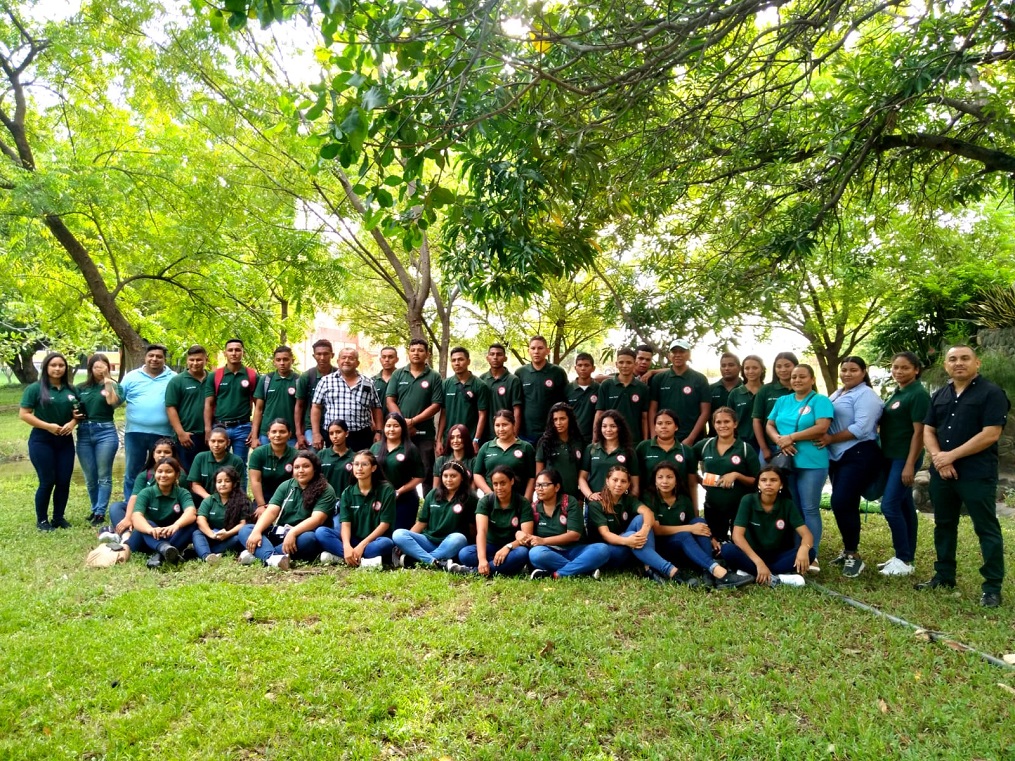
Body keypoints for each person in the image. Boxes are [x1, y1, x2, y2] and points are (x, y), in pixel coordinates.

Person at [917, 344, 1010, 608]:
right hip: (942, 473)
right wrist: (939, 458)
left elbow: (991, 434)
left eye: (965, 358)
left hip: (976, 474)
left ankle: (992, 587)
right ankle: (944, 576)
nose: (959, 363)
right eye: (953, 359)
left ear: (977, 363)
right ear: (946, 365)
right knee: (944, 525)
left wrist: (951, 456)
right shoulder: (940, 395)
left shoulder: (991, 393)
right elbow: (928, 430)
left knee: (986, 529)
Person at [816, 356, 884, 578]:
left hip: (858, 453)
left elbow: (862, 428)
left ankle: (854, 556)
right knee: (845, 503)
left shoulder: (867, 396)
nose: (847, 374)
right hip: (838, 456)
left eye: (853, 370)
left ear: (864, 372)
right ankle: (847, 551)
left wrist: (830, 439)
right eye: (844, 370)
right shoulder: (839, 393)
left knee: (841, 501)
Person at [643, 462, 754, 588]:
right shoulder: (650, 498)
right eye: (660, 477)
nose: (665, 481)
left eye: (669, 477)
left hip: (683, 548)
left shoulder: (683, 499)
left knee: (700, 522)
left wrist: (710, 538)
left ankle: (707, 573)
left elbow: (695, 523)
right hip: (662, 548)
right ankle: (719, 572)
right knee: (684, 534)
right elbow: (657, 530)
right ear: (655, 481)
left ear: (676, 480)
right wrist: (689, 528)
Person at [765, 364, 832, 561]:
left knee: (810, 507)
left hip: (812, 462)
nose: (797, 380)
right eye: (794, 377)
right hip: (787, 463)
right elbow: (769, 424)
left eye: (802, 376)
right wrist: (779, 439)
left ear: (812, 379)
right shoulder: (783, 400)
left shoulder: (821, 401)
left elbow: (822, 427)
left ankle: (812, 553)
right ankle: (796, 550)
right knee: (794, 507)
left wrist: (791, 437)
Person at [876, 352, 930, 577]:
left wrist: (909, 465)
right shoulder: (898, 392)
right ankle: (905, 557)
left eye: (904, 368)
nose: (898, 371)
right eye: (895, 367)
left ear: (916, 369)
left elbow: (919, 433)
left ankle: (903, 558)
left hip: (904, 457)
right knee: (905, 504)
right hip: (890, 456)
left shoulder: (918, 394)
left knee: (889, 505)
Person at [721, 466, 816, 586]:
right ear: (758, 485)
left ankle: (752, 575)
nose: (768, 484)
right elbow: (737, 536)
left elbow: (806, 534)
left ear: (781, 485)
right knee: (727, 550)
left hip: (777, 556)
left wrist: (804, 548)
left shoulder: (787, 504)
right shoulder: (748, 500)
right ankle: (778, 577)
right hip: (751, 555)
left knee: (810, 552)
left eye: (773, 480)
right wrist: (759, 563)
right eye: (764, 480)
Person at [240, 450, 334, 568]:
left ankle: (259, 556)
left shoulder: (326, 489)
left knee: (309, 538)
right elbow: (272, 511)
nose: (301, 470)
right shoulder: (286, 485)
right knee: (246, 529)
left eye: (306, 466)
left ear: (315, 469)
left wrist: (293, 532)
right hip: (282, 533)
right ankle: (272, 558)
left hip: (303, 535)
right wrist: (256, 531)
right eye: (297, 467)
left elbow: (317, 519)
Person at [19, 352, 79, 531]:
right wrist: (48, 426)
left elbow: (79, 413)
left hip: (65, 441)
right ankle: (42, 521)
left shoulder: (71, 389)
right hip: (42, 440)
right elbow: (24, 414)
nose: (57, 368)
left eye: (61, 365)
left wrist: (72, 422)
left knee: (63, 480)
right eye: (53, 365)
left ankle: (59, 518)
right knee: (47, 480)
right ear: (46, 367)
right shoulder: (35, 389)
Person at [316, 450, 396, 569]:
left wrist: (362, 545)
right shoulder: (347, 492)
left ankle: (343, 558)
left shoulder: (386, 489)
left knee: (386, 544)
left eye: (364, 464)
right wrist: (347, 546)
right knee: (321, 532)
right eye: (356, 464)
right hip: (354, 539)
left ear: (373, 468)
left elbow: (385, 524)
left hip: (374, 541)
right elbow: (346, 525)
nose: (359, 468)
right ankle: (360, 559)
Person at [448, 466, 533, 576]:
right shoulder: (486, 501)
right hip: (491, 545)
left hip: (513, 548)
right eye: (495, 484)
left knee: (523, 553)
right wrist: (482, 559)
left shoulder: (522, 502)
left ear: (511, 481)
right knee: (465, 554)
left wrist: (508, 547)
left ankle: (473, 572)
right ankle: (505, 567)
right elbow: (481, 532)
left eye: (503, 483)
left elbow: (526, 537)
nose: (499, 487)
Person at [526, 469, 609, 579]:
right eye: (537, 485)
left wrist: (544, 540)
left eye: (544, 485)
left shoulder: (569, 502)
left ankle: (556, 575)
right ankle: (584, 571)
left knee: (602, 549)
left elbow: (574, 535)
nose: (539, 489)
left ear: (557, 487)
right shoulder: (534, 508)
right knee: (535, 554)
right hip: (551, 552)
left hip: (576, 550)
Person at [694, 406, 760, 542]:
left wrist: (737, 475)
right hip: (713, 506)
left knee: (739, 544)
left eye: (727, 422)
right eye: (718, 422)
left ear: (735, 424)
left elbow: (757, 481)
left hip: (739, 507)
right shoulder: (705, 445)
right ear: (713, 424)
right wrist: (701, 481)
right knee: (716, 545)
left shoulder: (746, 449)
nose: (722, 425)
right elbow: (687, 464)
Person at [392, 460, 474, 568]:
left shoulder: (470, 497)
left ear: (462, 477)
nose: (448, 480)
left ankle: (417, 560)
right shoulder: (433, 494)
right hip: (429, 541)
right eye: (445, 476)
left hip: (451, 543)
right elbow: (421, 523)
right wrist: (404, 542)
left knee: (459, 538)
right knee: (398, 534)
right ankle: (433, 562)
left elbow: (473, 527)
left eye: (453, 476)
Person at [120, 343, 176, 498]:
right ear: (145, 357)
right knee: (133, 470)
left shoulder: (173, 378)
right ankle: (129, 505)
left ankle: (157, 501)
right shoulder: (131, 377)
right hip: (134, 433)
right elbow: (117, 399)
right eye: (151, 356)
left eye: (159, 356)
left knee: (162, 470)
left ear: (164, 359)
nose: (154, 359)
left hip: (164, 434)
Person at [75, 353, 122, 525]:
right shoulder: (81, 387)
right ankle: (95, 508)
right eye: (96, 366)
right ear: (90, 369)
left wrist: (108, 383)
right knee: (90, 476)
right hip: (84, 432)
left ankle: (101, 512)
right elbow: (75, 407)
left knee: (104, 475)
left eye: (103, 366)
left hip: (106, 432)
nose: (99, 369)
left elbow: (113, 403)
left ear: (108, 368)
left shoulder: (115, 385)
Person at [386, 338, 443, 476]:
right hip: (401, 433)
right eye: (413, 350)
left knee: (426, 470)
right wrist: (402, 423)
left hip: (424, 433)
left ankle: (427, 498)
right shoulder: (398, 374)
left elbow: (436, 405)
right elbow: (390, 400)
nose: (416, 353)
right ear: (408, 353)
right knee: (400, 469)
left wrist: (412, 421)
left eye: (420, 350)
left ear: (427, 354)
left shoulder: (434, 376)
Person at [129, 456, 197, 569]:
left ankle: (160, 554)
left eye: (168, 472)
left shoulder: (182, 492)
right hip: (146, 539)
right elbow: (136, 516)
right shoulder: (146, 493)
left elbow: (191, 511)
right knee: (148, 523)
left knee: (193, 522)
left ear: (176, 475)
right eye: (160, 471)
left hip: (171, 535)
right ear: (155, 474)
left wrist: (176, 525)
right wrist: (150, 530)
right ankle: (163, 548)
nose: (163, 475)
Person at [105, 438, 178, 541]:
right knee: (116, 507)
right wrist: (128, 518)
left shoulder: (179, 475)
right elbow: (135, 496)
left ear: (173, 455)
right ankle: (126, 536)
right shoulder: (145, 474)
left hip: (168, 515)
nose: (162, 455)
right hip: (144, 512)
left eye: (167, 452)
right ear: (153, 454)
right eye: (158, 452)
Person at [312, 347, 383, 452]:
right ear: (338, 361)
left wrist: (379, 432)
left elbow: (376, 408)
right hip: (334, 435)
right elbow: (316, 407)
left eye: (351, 358)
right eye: (343, 358)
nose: (346, 361)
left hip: (361, 435)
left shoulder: (368, 383)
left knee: (361, 466)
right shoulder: (325, 381)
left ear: (357, 363)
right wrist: (316, 433)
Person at [203, 338, 257, 463]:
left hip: (243, 427)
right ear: (225, 353)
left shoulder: (251, 375)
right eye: (230, 350)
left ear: (243, 352)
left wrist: (254, 429)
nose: (234, 353)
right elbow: (208, 404)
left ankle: (240, 484)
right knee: (218, 463)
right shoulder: (215, 376)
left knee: (240, 464)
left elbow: (258, 405)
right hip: (220, 427)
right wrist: (208, 429)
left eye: (238, 350)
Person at [371, 412, 425, 531]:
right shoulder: (376, 447)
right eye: (388, 425)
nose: (391, 429)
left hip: (404, 499)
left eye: (396, 426)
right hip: (379, 498)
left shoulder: (410, 449)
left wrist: (400, 491)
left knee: (398, 536)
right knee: (377, 534)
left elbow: (420, 476)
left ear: (402, 428)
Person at [648, 339, 709, 444]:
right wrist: (655, 436)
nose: (678, 355)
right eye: (674, 352)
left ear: (689, 354)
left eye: (682, 351)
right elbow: (652, 409)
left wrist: (691, 438)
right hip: (664, 438)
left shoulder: (700, 379)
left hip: (691, 439)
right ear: (669, 355)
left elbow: (705, 411)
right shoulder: (659, 379)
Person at [635, 408, 697, 512]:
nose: (663, 426)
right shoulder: (643, 447)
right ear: (654, 427)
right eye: (659, 423)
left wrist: (695, 509)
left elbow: (691, 483)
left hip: (678, 506)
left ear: (676, 427)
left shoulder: (686, 450)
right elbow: (636, 478)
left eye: (668, 423)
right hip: (648, 503)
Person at [193, 466, 253, 563]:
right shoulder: (209, 500)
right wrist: (211, 534)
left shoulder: (243, 501)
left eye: (227, 481)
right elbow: (200, 519)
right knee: (197, 533)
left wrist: (227, 534)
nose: (223, 484)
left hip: (231, 536)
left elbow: (243, 524)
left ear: (234, 484)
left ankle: (206, 551)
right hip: (213, 535)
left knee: (238, 538)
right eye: (219, 481)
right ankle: (207, 557)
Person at [165, 344, 210, 473]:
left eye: (199, 360)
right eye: (192, 360)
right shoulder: (177, 381)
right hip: (188, 436)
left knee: (208, 472)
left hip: (210, 435)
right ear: (187, 360)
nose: (195, 363)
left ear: (206, 360)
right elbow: (170, 408)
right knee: (189, 473)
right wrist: (181, 433)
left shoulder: (212, 379)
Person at [514, 335, 568, 443]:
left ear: (547, 351)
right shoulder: (520, 373)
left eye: (540, 348)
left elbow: (565, 403)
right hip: (527, 434)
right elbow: (516, 404)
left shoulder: (558, 372)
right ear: (528, 351)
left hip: (552, 432)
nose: (536, 351)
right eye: (533, 348)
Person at [436, 347, 490, 453]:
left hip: (470, 439)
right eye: (453, 360)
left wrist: (476, 440)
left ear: (468, 361)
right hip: (450, 440)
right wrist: (439, 440)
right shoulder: (445, 384)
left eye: (460, 359)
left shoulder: (480, 385)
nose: (457, 363)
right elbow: (443, 413)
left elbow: (482, 415)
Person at [474, 409, 536, 500]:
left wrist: (526, 499)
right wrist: (490, 494)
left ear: (513, 425)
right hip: (491, 501)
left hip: (518, 500)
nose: (501, 429)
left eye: (505, 425)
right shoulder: (486, 447)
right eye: (497, 425)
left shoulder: (526, 447)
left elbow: (532, 477)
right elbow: (477, 474)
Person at [580, 410, 639, 500]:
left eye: (613, 426)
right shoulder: (591, 449)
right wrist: (590, 495)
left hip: (619, 504)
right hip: (595, 504)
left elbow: (635, 485)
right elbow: (582, 478)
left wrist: (629, 503)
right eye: (604, 426)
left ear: (620, 428)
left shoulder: (628, 451)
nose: (608, 430)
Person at [595, 348, 650, 442]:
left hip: (634, 441)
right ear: (616, 364)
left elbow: (644, 418)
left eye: (629, 362)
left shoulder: (642, 388)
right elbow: (599, 413)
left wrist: (645, 441)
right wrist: (595, 439)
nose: (624, 366)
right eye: (621, 362)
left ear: (635, 364)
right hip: (610, 440)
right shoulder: (606, 385)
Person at [247, 418, 299, 518]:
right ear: (268, 435)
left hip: (288, 498)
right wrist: (261, 505)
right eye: (274, 432)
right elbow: (255, 481)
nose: (277, 435)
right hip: (264, 498)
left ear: (289, 434)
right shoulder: (258, 453)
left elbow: (296, 482)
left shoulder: (296, 455)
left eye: (282, 432)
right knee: (254, 521)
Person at [753, 351, 797, 462]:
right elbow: (757, 420)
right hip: (771, 446)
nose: (783, 370)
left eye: (787, 366)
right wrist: (764, 448)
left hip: (798, 445)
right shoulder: (766, 390)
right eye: (778, 366)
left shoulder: (803, 390)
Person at [535, 402, 585, 500]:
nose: (558, 423)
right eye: (555, 419)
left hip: (573, 497)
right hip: (550, 497)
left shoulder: (578, 441)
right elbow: (539, 472)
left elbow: (582, 473)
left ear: (569, 419)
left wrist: (580, 497)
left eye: (562, 419)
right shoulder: (545, 442)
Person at [252, 345, 299, 446]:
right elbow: (258, 409)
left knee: (289, 462)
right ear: (274, 362)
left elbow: (302, 410)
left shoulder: (299, 381)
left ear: (292, 360)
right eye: (278, 360)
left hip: (291, 435)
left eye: (285, 359)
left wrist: (300, 436)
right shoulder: (266, 380)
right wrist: (254, 437)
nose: (282, 363)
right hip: (266, 434)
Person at [186, 426, 246, 502]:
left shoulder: (236, 461)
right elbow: (195, 485)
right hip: (204, 500)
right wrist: (210, 499)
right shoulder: (200, 457)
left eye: (220, 441)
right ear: (208, 442)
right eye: (213, 441)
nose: (216, 445)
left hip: (229, 501)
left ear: (228, 442)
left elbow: (239, 486)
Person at [294, 339, 336, 449]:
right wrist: (299, 434)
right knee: (311, 459)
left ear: (332, 355)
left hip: (335, 425)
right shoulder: (307, 377)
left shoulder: (340, 375)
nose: (322, 357)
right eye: (319, 354)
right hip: (311, 427)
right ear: (314, 356)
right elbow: (299, 405)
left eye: (326, 354)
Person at [479, 343, 523, 443]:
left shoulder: (513, 380)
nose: (495, 357)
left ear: (505, 358)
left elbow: (517, 409)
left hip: (506, 433)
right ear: (487, 358)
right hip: (486, 434)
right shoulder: (482, 379)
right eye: (492, 354)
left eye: (499, 354)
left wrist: (514, 434)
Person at [727, 355, 765, 447]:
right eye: (747, 368)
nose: (751, 371)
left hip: (766, 442)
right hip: (742, 442)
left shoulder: (767, 391)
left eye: (755, 368)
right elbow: (729, 420)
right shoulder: (735, 393)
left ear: (762, 369)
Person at [567, 352, 600, 443]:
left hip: (593, 439)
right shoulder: (567, 389)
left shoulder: (599, 389)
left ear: (593, 368)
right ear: (575, 368)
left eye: (586, 365)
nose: (583, 368)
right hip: (572, 438)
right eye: (580, 365)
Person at [433, 423, 476, 490]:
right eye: (452, 437)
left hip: (466, 498)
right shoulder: (441, 460)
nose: (455, 441)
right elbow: (435, 488)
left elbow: (473, 489)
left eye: (459, 437)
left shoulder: (474, 461)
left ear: (466, 439)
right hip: (443, 498)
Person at [319, 419, 356, 500]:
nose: (335, 436)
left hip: (347, 500)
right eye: (331, 433)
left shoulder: (355, 457)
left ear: (346, 433)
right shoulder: (321, 454)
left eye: (338, 432)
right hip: (325, 500)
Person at [708, 352, 742, 435]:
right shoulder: (710, 389)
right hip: (716, 439)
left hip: (742, 439)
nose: (726, 368)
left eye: (731, 365)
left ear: (739, 368)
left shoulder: (746, 388)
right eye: (723, 366)